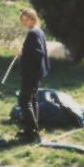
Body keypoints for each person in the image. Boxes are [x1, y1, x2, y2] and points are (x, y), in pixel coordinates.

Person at [17, 8, 50, 142]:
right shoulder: (38, 31)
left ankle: (31, 132)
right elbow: (35, 50)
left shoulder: (33, 33)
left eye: (26, 19)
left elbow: (38, 53)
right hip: (36, 72)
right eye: (22, 20)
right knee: (32, 99)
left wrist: (23, 54)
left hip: (32, 73)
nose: (24, 22)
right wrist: (25, 51)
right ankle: (33, 128)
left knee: (24, 100)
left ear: (33, 18)